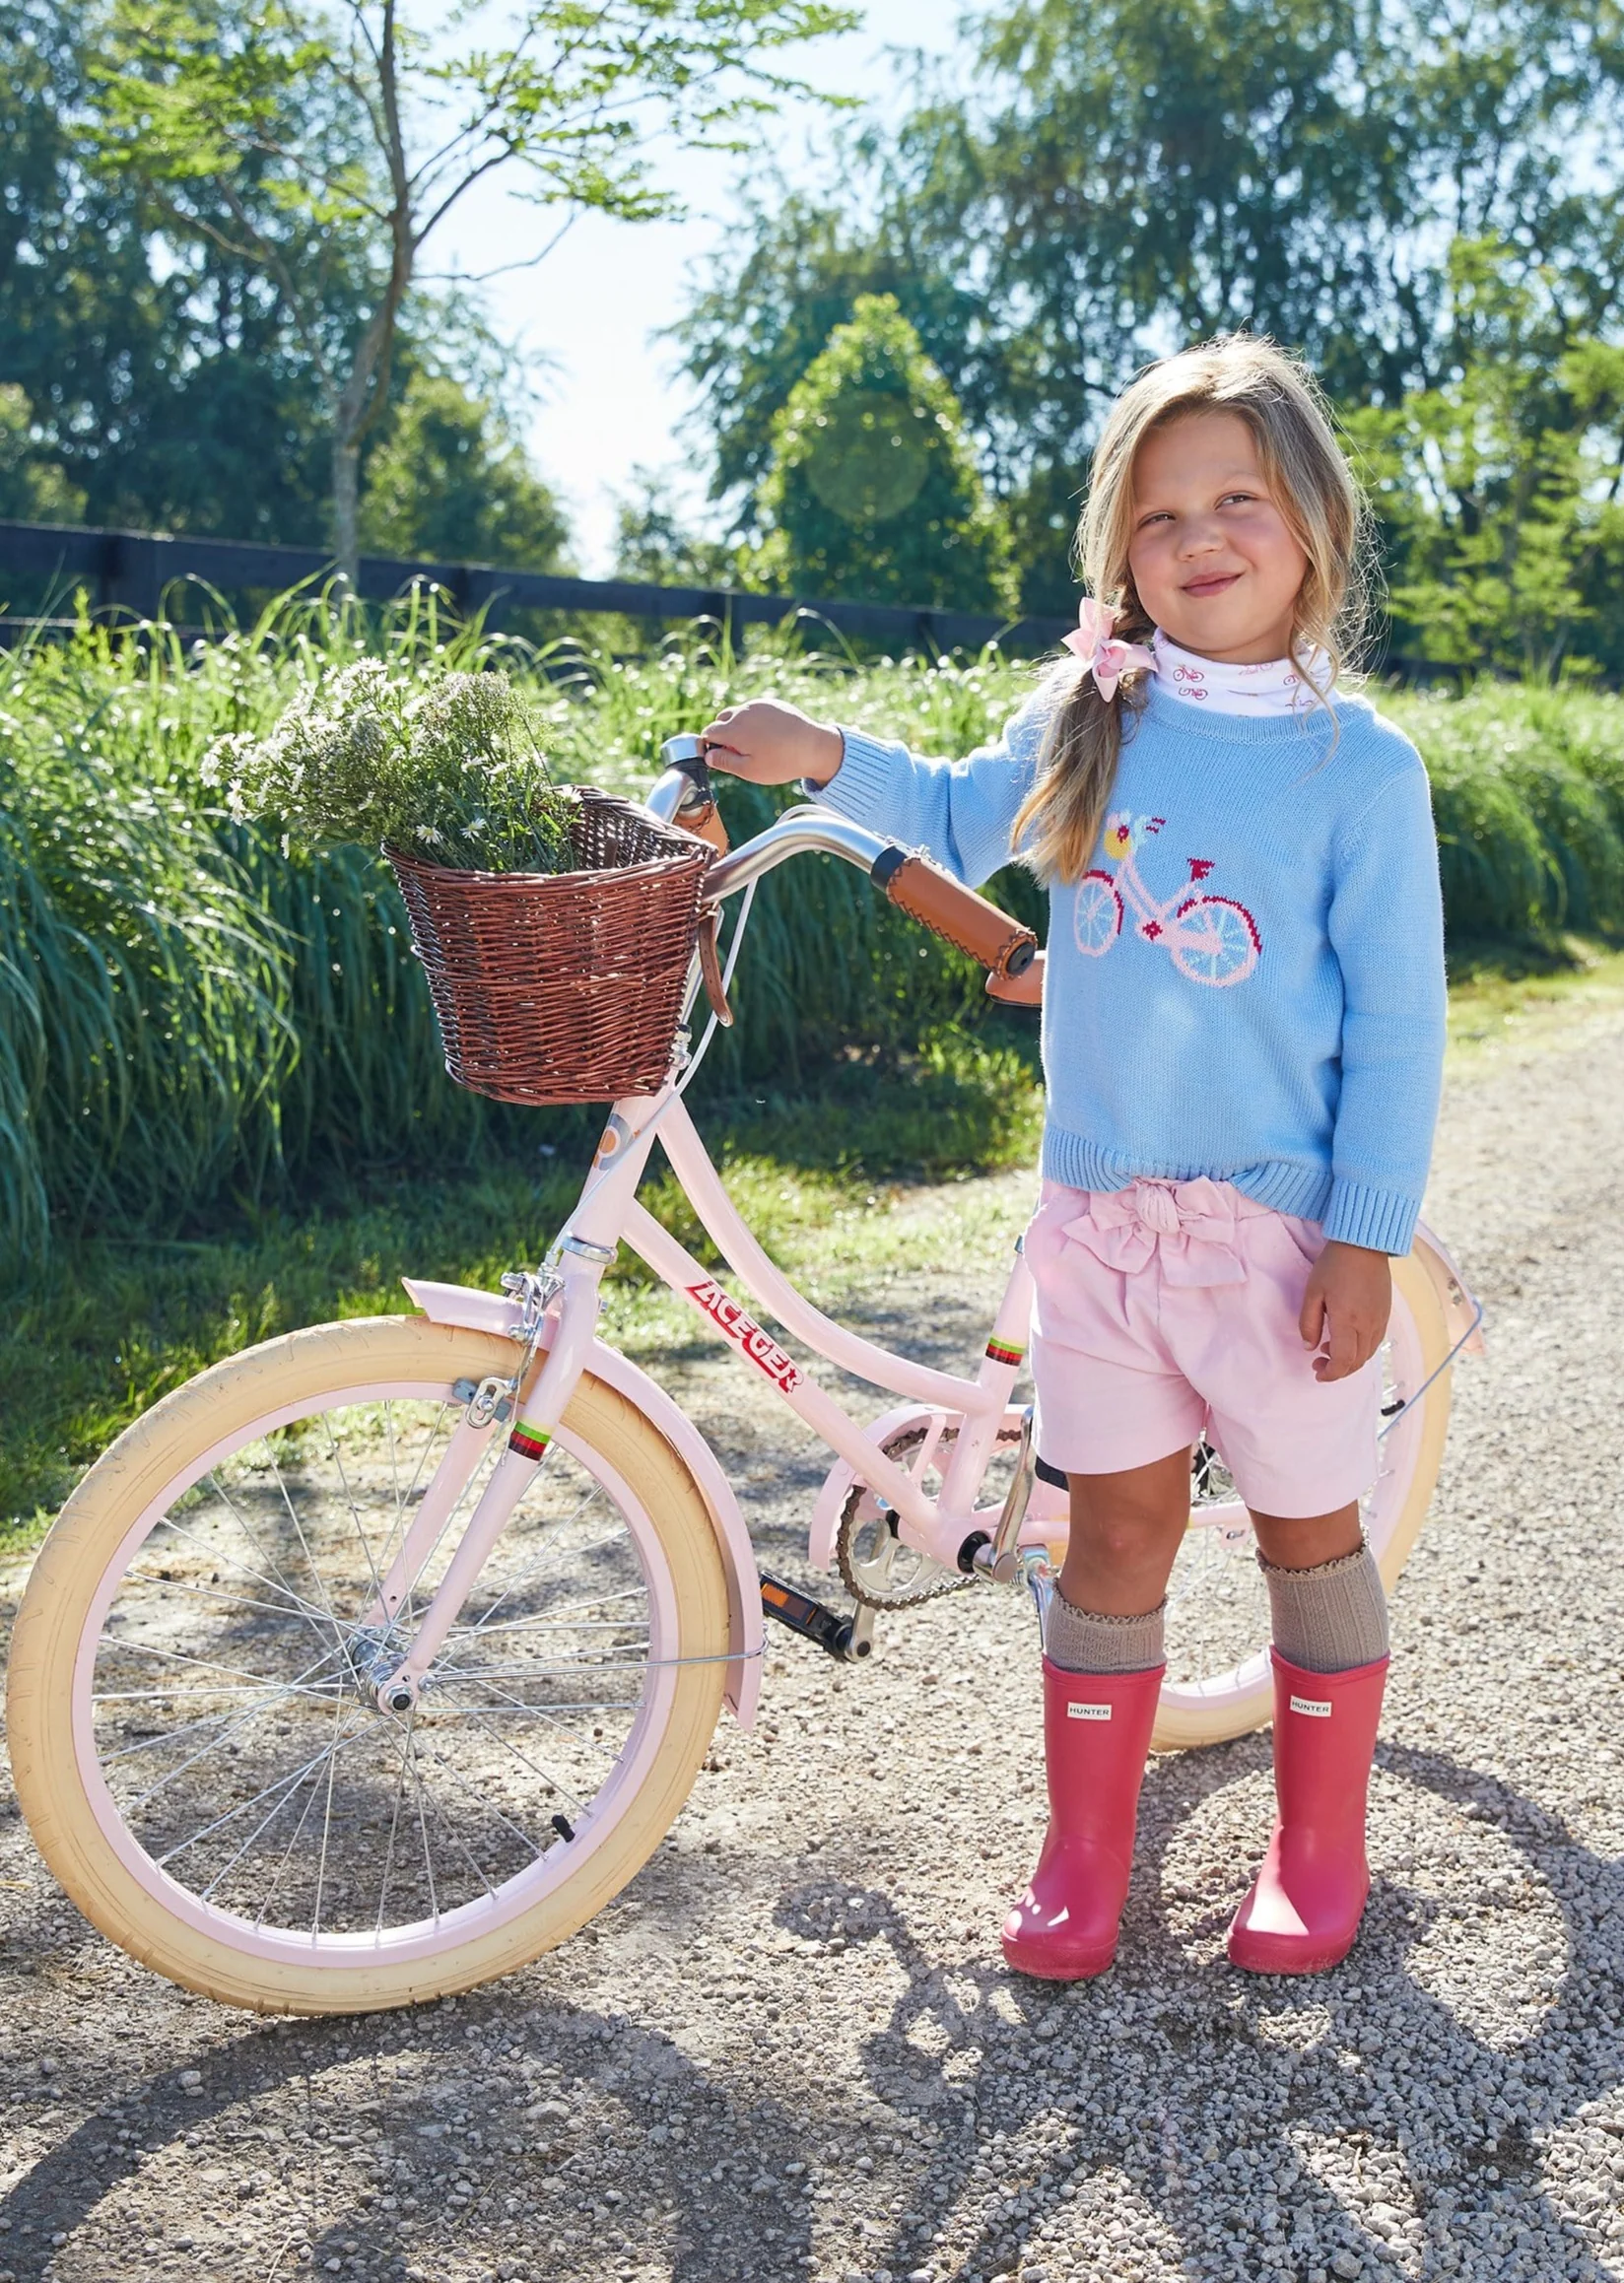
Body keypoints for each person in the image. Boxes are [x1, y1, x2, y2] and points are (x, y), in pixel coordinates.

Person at [700, 335, 1447, 1981]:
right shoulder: (1094, 710)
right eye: (1163, 511)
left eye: (1238, 499)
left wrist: (1364, 1235)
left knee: (1305, 1528)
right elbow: (963, 817)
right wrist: (821, 751)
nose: (1201, 537)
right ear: (1123, 549)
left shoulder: (1360, 773)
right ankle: (1081, 1855)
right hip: (1094, 1230)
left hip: (1274, 1233)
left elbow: (1397, 1030)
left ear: (1312, 522)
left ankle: (1320, 1849)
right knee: (1110, 1535)